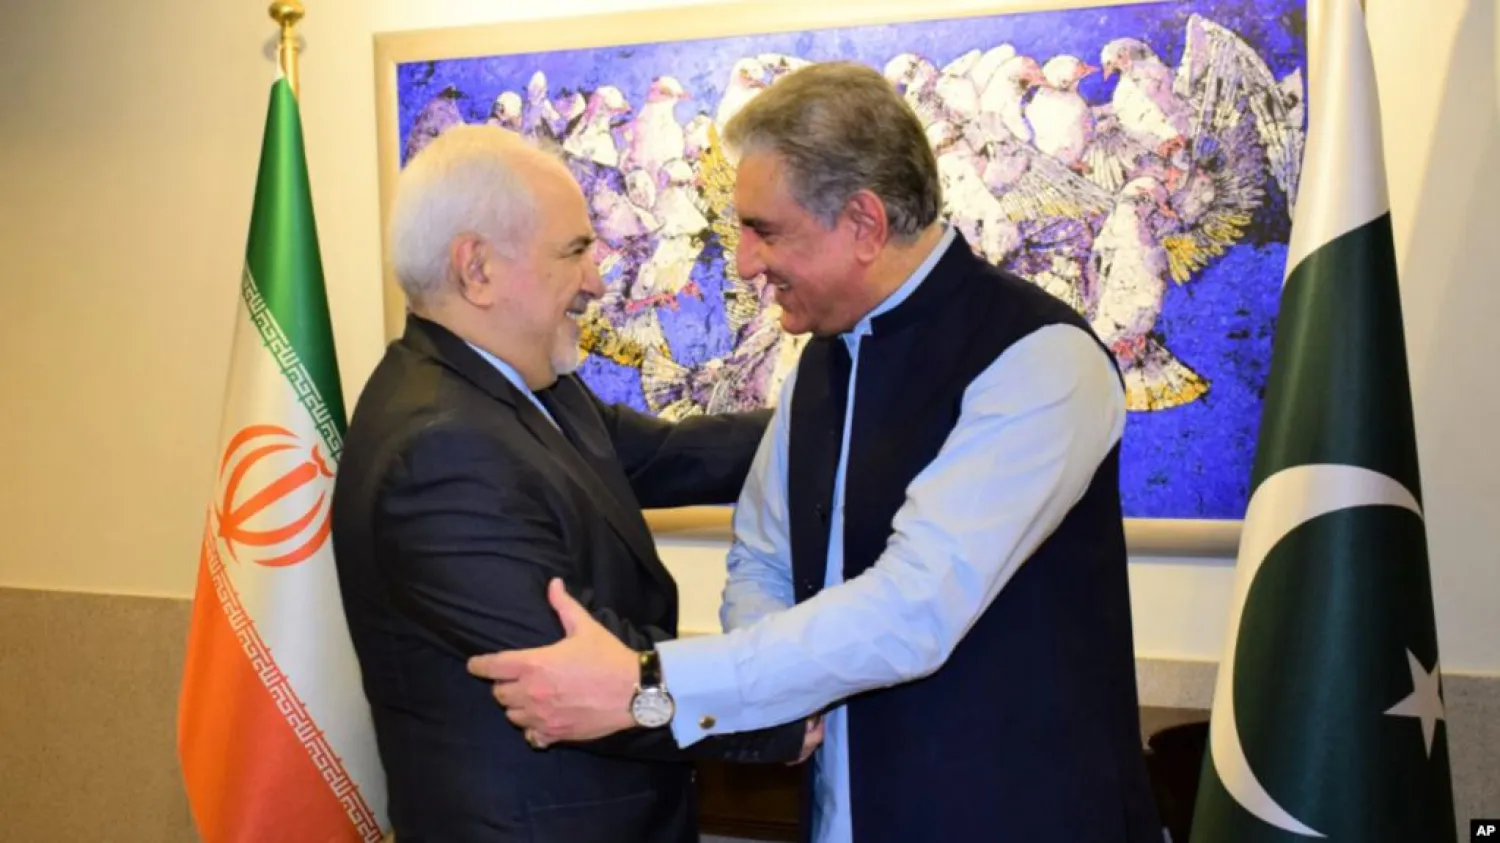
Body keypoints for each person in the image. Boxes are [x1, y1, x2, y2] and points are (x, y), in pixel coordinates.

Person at [468, 61, 1164, 843]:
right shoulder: (821, 362)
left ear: (864, 224)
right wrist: (776, 700)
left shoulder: (1040, 360)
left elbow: (911, 610)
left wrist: (652, 685)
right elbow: (763, 558)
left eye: (765, 230)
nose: (743, 263)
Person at [329, 123, 819, 843]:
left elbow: (677, 455)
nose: (596, 280)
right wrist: (776, 714)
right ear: (478, 269)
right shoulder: (435, 450)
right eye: (575, 251)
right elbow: (578, 672)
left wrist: (839, 420)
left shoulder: (528, 389)